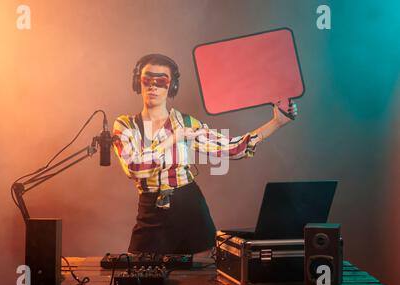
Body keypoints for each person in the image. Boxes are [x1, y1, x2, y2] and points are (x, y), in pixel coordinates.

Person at [112, 53, 297, 255]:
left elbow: (232, 149)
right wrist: (172, 139)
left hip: (191, 208)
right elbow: (135, 168)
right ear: (138, 82)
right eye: (148, 79)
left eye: (161, 80)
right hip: (151, 212)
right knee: (143, 278)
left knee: (205, 275)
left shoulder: (187, 123)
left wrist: (276, 123)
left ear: (172, 86)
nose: (153, 86)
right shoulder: (125, 125)